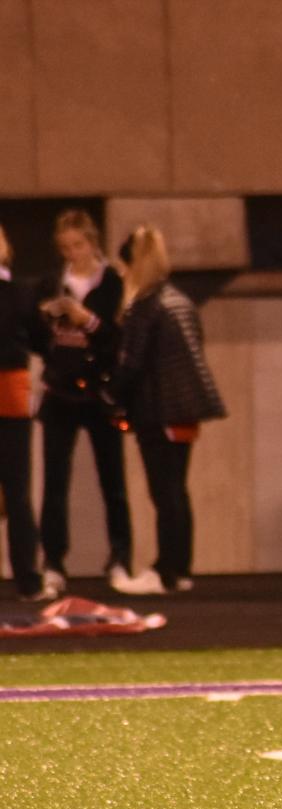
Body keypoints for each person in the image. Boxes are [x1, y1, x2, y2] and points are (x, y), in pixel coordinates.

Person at [109, 225, 227, 595]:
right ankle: (178, 568)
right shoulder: (180, 300)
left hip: (159, 408)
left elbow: (132, 364)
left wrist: (112, 397)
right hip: (184, 409)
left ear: (131, 263)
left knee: (166, 491)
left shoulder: (147, 306)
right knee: (176, 489)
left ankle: (167, 570)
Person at [32, 208, 131, 593]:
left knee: (113, 480)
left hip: (99, 391)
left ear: (92, 243)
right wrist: (49, 321)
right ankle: (54, 561)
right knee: (55, 481)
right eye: (65, 247)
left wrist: (85, 319)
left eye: (78, 245)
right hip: (59, 391)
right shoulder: (51, 283)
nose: (71, 253)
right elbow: (38, 339)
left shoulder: (112, 284)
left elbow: (115, 338)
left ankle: (120, 558)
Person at [0, 223, 50, 601]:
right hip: (12, 395)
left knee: (17, 496)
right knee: (18, 493)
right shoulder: (21, 293)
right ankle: (28, 580)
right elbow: (41, 340)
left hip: (12, 393)